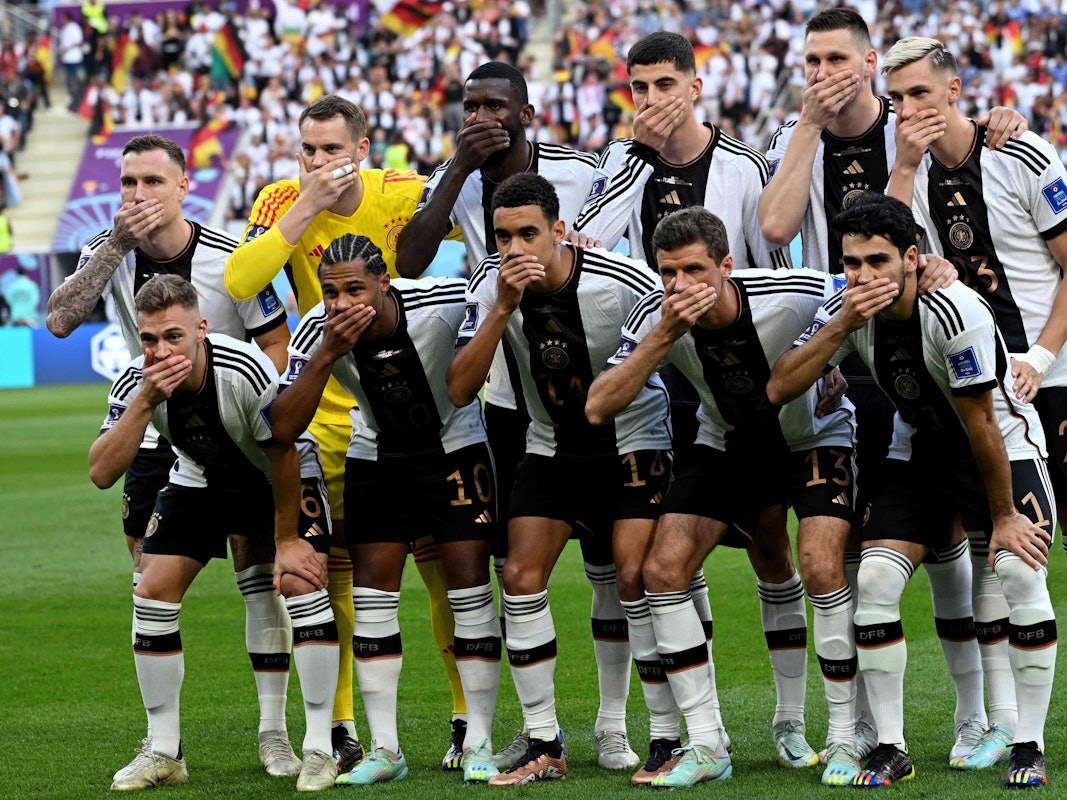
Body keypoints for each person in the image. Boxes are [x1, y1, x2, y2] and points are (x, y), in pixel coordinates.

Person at [758, 8, 1030, 766]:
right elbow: (776, 229)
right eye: (811, 60)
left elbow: (962, 155)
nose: (822, 72)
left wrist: (995, 119)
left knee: (955, 540)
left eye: (836, 57)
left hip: (916, 344)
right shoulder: (791, 137)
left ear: (871, 61)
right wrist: (808, 126)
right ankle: (869, 730)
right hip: (839, 357)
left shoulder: (907, 120)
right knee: (854, 551)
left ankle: (981, 718)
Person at [574, 30, 817, 768]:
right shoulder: (621, 160)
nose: (649, 101)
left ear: (694, 86)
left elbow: (766, 277)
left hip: (740, 385)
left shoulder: (741, 164)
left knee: (770, 546)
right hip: (658, 378)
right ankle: (682, 730)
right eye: (637, 88)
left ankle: (787, 720)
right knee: (662, 556)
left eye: (662, 85)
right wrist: (639, 157)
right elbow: (585, 242)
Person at [395, 60, 641, 771]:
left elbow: (607, 260)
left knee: (608, 564)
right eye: (469, 106)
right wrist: (455, 173)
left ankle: (612, 722)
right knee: (516, 563)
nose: (480, 118)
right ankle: (521, 727)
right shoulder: (453, 176)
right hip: (504, 389)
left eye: (494, 106)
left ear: (525, 113)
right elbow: (410, 260)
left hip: (581, 382)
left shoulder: (574, 170)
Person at [767, 193, 1056, 789]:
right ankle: (892, 748)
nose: (864, 276)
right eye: (852, 263)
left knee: (1020, 574)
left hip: (1000, 446)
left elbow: (979, 422)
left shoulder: (954, 311)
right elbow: (780, 386)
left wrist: (1002, 516)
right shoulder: (848, 307)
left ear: (911, 258)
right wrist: (844, 322)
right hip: (918, 448)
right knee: (873, 580)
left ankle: (1029, 742)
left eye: (877, 261)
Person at [45, 134, 303, 777]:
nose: (138, 195)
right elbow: (59, 320)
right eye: (128, 183)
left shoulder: (231, 258)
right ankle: (165, 748)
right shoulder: (106, 256)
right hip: (157, 432)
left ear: (183, 188)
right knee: (149, 580)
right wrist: (114, 248)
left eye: (152, 182)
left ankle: (274, 733)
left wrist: (244, 412)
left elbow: (277, 343)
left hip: (238, 433)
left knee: (257, 576)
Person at [585, 206, 866, 786]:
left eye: (693, 271)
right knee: (661, 570)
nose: (680, 286)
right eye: (668, 273)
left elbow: (864, 288)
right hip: (727, 439)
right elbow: (598, 404)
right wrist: (664, 332)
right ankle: (708, 743)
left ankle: (834, 735)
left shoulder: (794, 293)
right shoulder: (656, 316)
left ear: (727, 266)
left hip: (810, 435)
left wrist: (935, 269)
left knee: (814, 564)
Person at [224, 94, 463, 771]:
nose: (318, 161)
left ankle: (461, 717)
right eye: (308, 149)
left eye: (331, 149)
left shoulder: (400, 190)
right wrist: (302, 208)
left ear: (362, 148)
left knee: (440, 567)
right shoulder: (279, 200)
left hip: (410, 410)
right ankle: (339, 728)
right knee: (332, 578)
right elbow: (242, 278)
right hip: (326, 412)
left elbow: (467, 225)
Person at [448, 173, 671, 786]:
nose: (514, 248)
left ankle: (655, 734)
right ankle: (544, 738)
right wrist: (501, 307)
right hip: (550, 444)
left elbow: (675, 347)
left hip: (632, 440)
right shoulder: (487, 285)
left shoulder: (624, 282)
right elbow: (461, 386)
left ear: (559, 232)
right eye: (502, 236)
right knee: (519, 577)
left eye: (528, 234)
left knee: (631, 575)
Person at [883, 36, 1067, 775]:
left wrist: (1040, 357)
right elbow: (885, 248)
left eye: (921, 94)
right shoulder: (909, 170)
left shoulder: (1023, 155)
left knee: (1022, 552)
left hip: (1045, 379)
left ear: (954, 89)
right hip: (968, 389)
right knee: (997, 555)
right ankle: (1004, 727)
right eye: (897, 100)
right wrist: (899, 163)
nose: (910, 111)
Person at [89, 274, 340, 792]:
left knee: (295, 584)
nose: (160, 351)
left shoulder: (241, 369)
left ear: (201, 329)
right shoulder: (135, 381)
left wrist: (288, 541)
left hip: (276, 472)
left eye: (174, 337)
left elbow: (284, 448)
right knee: (151, 590)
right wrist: (142, 402)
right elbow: (101, 472)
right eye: (150, 339)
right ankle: (164, 751)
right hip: (201, 474)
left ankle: (311, 746)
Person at [270, 234, 501, 785]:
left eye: (355, 288)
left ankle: (480, 742)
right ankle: (385, 749)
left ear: (384, 283)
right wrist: (327, 351)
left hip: (455, 449)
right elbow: (280, 425)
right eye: (331, 292)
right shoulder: (316, 332)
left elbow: (473, 379)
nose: (343, 303)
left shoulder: (443, 305)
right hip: (376, 454)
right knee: (373, 597)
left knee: (468, 588)